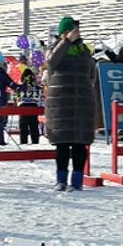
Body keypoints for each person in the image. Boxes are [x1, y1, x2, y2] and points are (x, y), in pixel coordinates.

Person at [45, 16, 96, 191]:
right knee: (62, 143)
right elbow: (52, 61)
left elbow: (92, 75)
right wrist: (66, 42)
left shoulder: (84, 50)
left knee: (80, 143)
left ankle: (77, 180)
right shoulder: (54, 49)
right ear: (62, 33)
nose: (74, 34)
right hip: (61, 103)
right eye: (69, 31)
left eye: (75, 30)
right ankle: (61, 179)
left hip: (82, 101)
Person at [15, 66, 43, 144]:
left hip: (23, 106)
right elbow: (40, 96)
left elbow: (17, 97)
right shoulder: (37, 87)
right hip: (34, 106)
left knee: (23, 126)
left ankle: (23, 141)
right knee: (34, 125)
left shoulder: (21, 87)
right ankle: (35, 141)